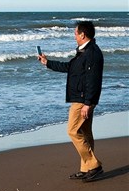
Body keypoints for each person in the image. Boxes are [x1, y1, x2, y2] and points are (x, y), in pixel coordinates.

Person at [38, 21, 104, 182]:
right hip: (83, 98)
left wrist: (88, 103)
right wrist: (48, 63)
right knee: (85, 133)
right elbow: (69, 67)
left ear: (82, 34)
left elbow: (93, 80)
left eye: (75, 33)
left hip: (83, 100)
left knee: (72, 131)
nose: (74, 36)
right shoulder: (83, 52)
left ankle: (94, 165)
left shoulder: (92, 53)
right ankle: (86, 168)